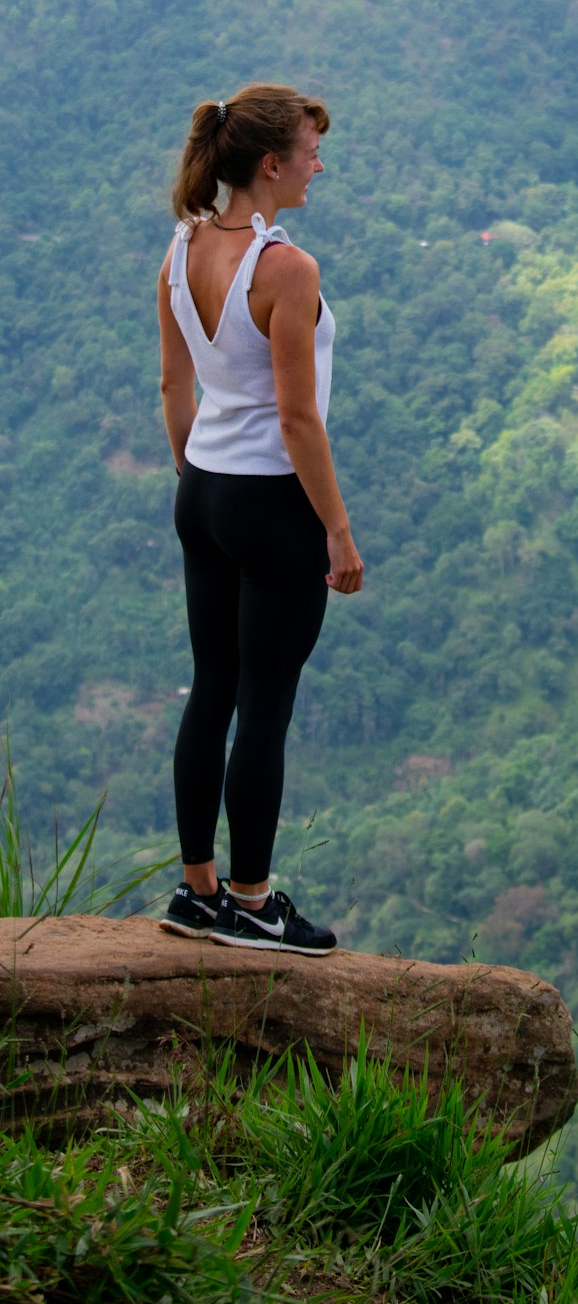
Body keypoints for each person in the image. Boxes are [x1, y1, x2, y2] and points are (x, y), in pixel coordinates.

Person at [157, 84, 362, 955]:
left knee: (213, 688)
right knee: (266, 702)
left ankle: (196, 890)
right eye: (313, 150)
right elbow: (297, 419)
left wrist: (196, 478)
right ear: (271, 163)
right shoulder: (286, 268)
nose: (322, 164)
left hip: (201, 489)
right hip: (271, 502)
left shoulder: (181, 248)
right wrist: (339, 532)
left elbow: (176, 386)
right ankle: (252, 902)